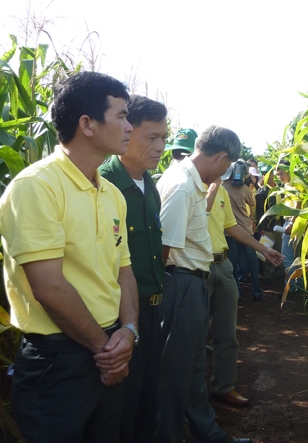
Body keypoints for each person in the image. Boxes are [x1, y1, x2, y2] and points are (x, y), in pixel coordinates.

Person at [0, 71, 138, 443]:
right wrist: (105, 351)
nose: (130, 126)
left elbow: (123, 271)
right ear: (87, 124)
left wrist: (128, 330)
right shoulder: (36, 187)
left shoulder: (112, 194)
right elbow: (48, 287)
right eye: (122, 115)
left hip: (108, 348)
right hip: (58, 359)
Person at [155, 126, 252, 443]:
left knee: (194, 366)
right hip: (180, 283)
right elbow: (163, 250)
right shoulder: (183, 186)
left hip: (192, 281)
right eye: (227, 166)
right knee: (174, 373)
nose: (226, 173)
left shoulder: (191, 182)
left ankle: (208, 433)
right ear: (222, 158)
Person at [99, 95, 167, 443]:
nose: (160, 146)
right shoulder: (105, 184)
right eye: (151, 137)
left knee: (146, 397)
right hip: (119, 321)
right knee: (119, 408)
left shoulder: (150, 185)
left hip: (151, 311)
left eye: (163, 138)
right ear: (127, 132)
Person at [205, 172, 283, 408]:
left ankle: (223, 386)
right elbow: (196, 217)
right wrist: (211, 188)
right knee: (195, 335)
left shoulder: (221, 191)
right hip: (196, 267)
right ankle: (192, 393)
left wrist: (263, 249)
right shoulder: (185, 186)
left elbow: (233, 227)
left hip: (223, 264)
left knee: (227, 333)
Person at [222, 163, 263, 301]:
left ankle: (237, 292)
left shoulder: (221, 187)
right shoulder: (244, 188)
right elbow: (252, 202)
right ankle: (256, 290)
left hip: (229, 231)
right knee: (252, 261)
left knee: (233, 263)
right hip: (245, 230)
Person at [275, 159, 306, 291]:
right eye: (277, 175)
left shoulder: (296, 184)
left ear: (288, 170)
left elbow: (298, 206)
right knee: (295, 258)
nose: (279, 177)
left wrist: (292, 224)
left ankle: (291, 288)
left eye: (281, 174)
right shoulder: (289, 184)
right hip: (292, 222)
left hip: (293, 222)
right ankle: (298, 286)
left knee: (287, 257)